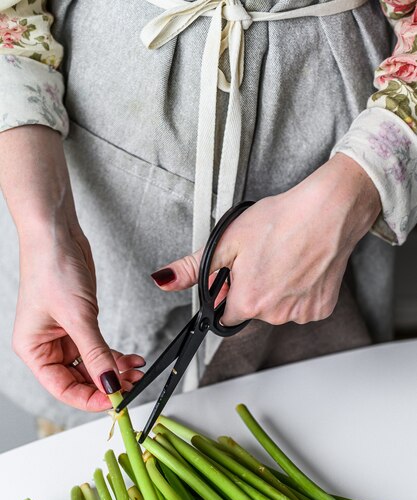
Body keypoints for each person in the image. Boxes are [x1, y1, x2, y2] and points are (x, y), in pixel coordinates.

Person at [0, 0, 416, 425]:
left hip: (336, 148)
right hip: (86, 153)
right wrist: (44, 232)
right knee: (95, 456)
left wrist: (354, 189)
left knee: (329, 427)